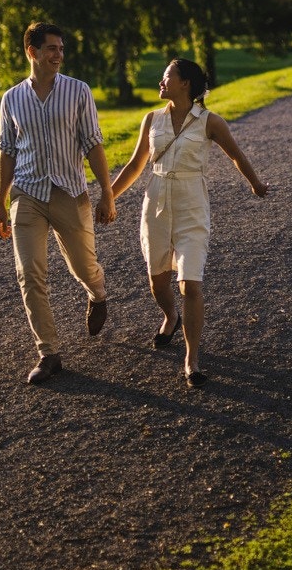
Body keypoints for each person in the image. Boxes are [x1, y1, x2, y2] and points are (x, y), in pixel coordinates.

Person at [112, 58, 267, 388]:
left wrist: (254, 183)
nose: (161, 81)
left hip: (192, 205)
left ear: (185, 84)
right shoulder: (151, 119)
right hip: (155, 203)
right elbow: (135, 164)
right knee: (158, 280)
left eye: (167, 76)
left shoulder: (210, 121)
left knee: (190, 284)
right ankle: (170, 316)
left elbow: (236, 154)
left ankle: (191, 360)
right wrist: (107, 196)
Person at [0, 22, 117, 384]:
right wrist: (0, 202)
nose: (59, 55)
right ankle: (48, 352)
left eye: (61, 49)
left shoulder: (79, 91)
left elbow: (93, 143)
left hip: (69, 191)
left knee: (83, 265)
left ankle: (97, 293)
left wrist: (107, 193)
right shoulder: (11, 99)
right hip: (27, 193)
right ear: (31, 52)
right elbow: (6, 151)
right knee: (28, 273)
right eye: (51, 49)